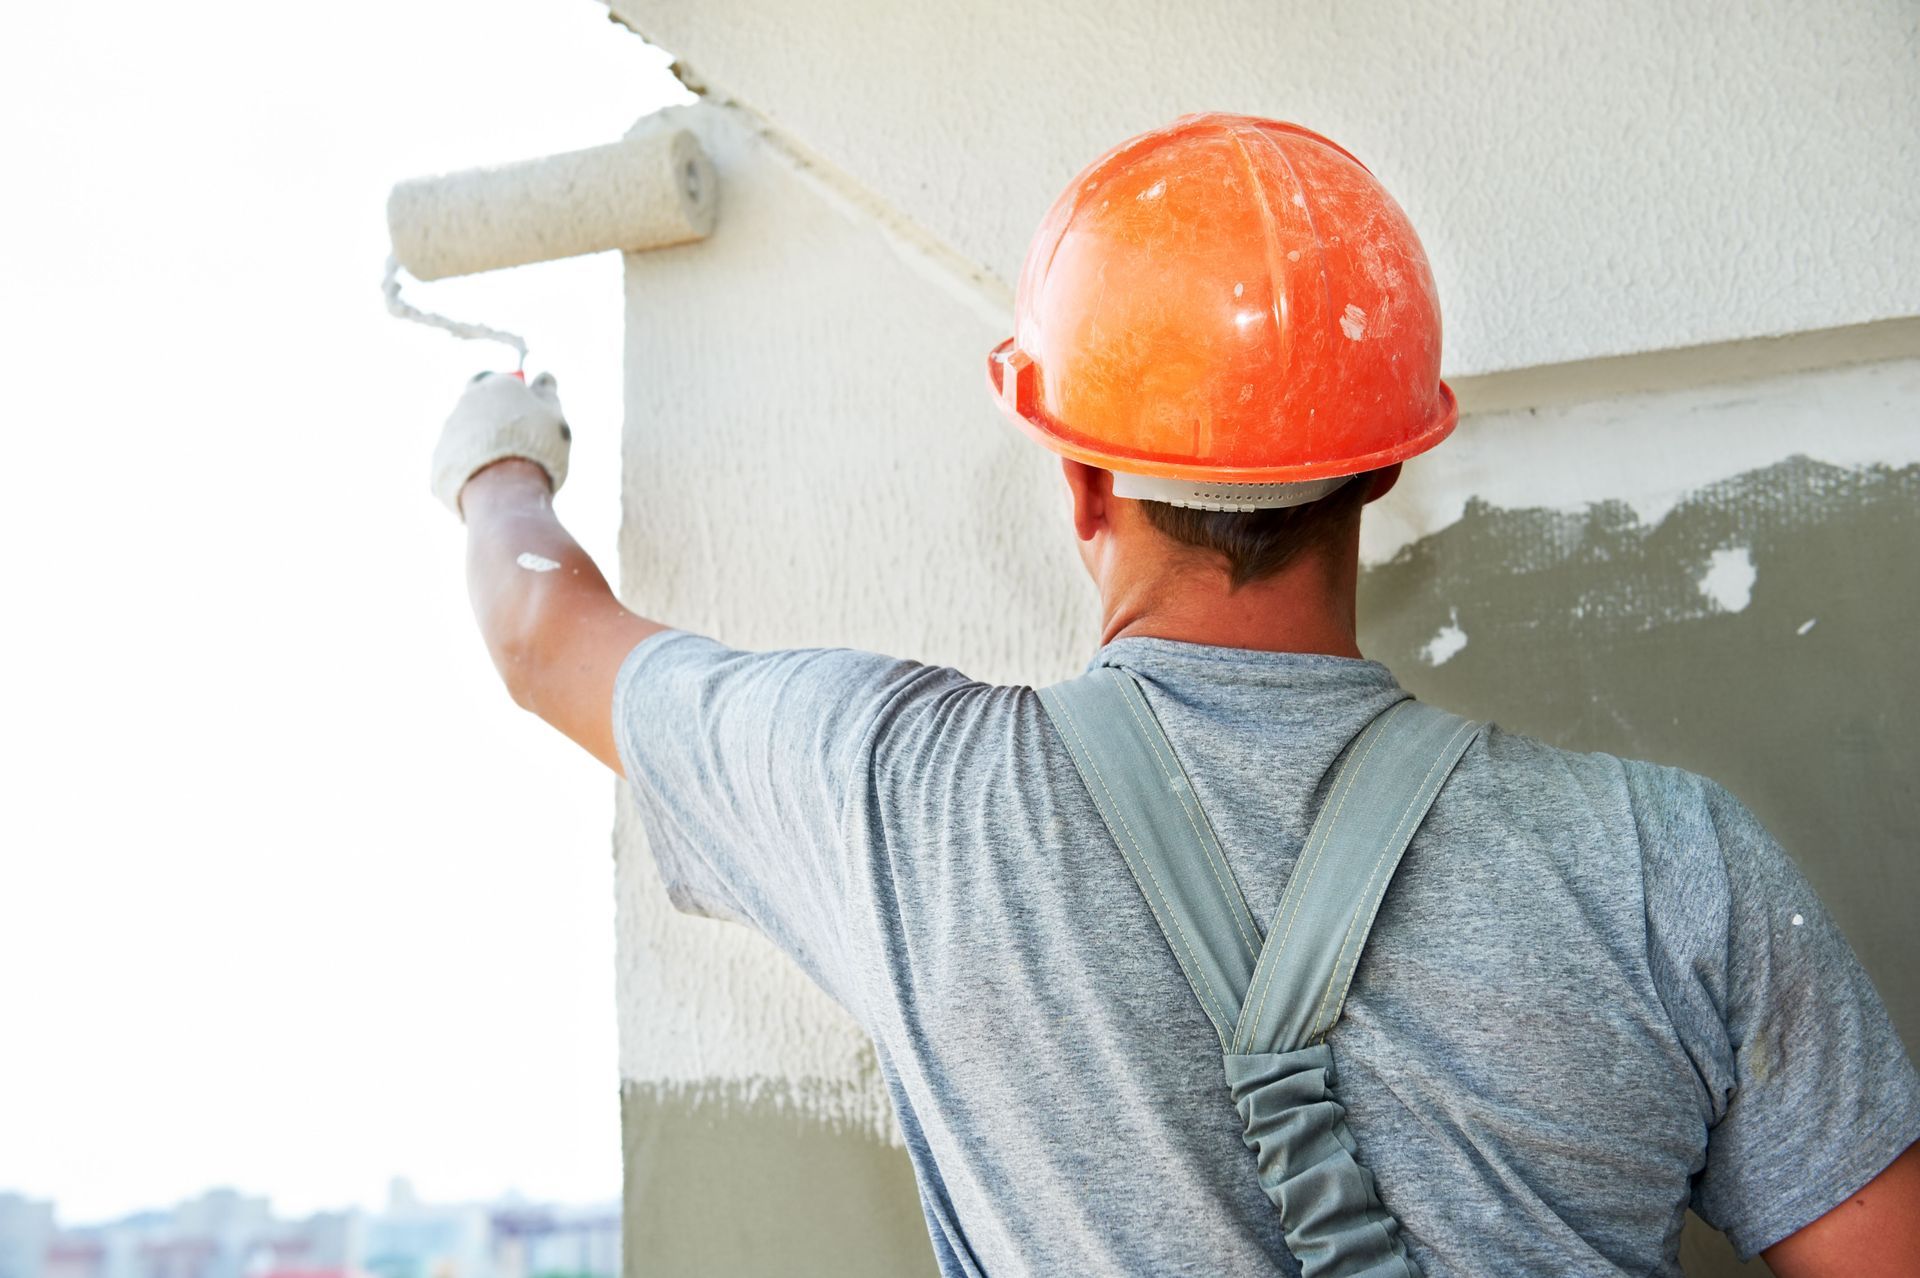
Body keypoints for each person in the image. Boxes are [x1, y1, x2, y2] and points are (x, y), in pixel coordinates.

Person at [427, 115, 1920, 1276]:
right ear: (1389, 462)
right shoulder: (1672, 862)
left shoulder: (903, 801)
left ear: (1079, 474)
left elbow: (541, 634)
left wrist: (501, 450)